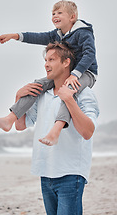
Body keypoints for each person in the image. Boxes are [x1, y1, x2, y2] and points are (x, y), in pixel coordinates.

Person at [0, 0, 98, 146]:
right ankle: (10, 119)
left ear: (72, 17)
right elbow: (38, 37)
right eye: (53, 13)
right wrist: (15, 35)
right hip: (67, 74)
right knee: (37, 85)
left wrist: (74, 74)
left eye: (59, 13)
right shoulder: (57, 34)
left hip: (86, 73)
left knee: (68, 90)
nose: (55, 16)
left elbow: (89, 55)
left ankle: (56, 130)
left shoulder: (83, 32)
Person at [15, 42, 99, 215]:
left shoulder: (84, 93)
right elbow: (20, 125)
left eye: (51, 59)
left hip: (71, 173)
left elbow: (88, 132)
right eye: (45, 60)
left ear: (66, 62)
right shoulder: (43, 95)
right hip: (46, 172)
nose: (46, 64)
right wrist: (18, 97)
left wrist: (69, 99)